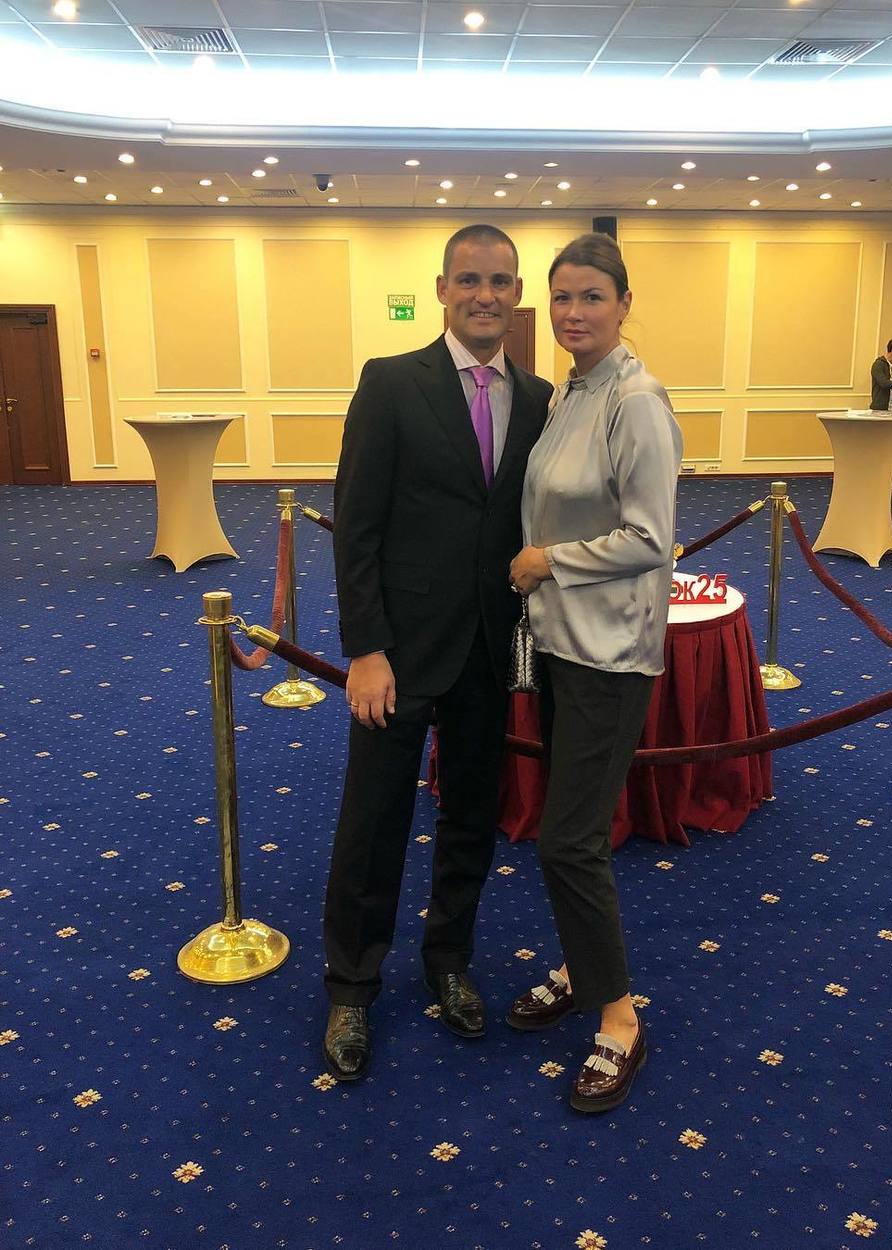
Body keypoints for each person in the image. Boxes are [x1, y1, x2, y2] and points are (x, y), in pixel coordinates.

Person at [322, 224, 552, 1081]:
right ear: (443, 289)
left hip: (491, 650)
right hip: (401, 653)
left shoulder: (539, 398)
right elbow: (358, 526)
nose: (485, 295)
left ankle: (449, 959)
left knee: (469, 819)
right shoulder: (391, 382)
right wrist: (366, 648)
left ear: (517, 293)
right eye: (469, 279)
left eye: (500, 281)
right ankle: (352, 983)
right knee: (374, 820)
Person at [506, 233, 683, 1114]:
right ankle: (582, 968)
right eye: (562, 297)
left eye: (592, 297)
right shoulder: (570, 392)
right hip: (560, 643)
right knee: (565, 831)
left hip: (612, 652)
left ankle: (619, 1017)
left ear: (623, 304)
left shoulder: (636, 401)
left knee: (568, 839)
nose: (574, 313)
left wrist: (550, 561)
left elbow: (652, 538)